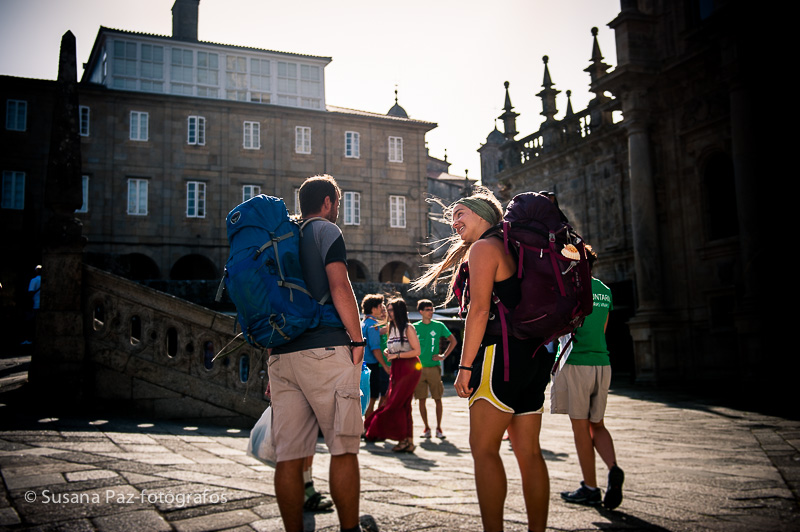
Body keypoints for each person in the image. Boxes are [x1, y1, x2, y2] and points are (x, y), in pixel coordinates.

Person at [413, 187, 555, 532]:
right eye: (452, 217)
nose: (454, 221)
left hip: (498, 356)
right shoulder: (513, 249)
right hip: (534, 357)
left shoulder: (483, 249)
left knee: (484, 450)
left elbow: (478, 312)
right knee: (529, 453)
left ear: (483, 215)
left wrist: (463, 366)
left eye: (460, 213)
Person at [268, 175, 365, 532]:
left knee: (289, 457)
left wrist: (273, 360)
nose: (336, 210)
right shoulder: (326, 231)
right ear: (327, 202)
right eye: (337, 203)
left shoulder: (282, 237)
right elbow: (340, 286)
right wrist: (357, 340)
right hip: (325, 348)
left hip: (281, 354)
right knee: (343, 448)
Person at [551, 245, 624, 510]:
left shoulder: (570, 290)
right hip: (602, 362)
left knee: (580, 428)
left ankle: (590, 488)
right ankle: (613, 468)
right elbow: (601, 330)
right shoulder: (604, 290)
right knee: (598, 424)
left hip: (576, 363)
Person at [363, 297, 422, 453]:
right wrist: (388, 352)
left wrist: (396, 356)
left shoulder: (408, 328)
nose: (386, 312)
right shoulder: (390, 327)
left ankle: (398, 437)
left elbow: (417, 351)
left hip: (410, 368)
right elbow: (392, 347)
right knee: (404, 405)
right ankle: (408, 441)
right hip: (396, 368)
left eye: (390, 310)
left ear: (398, 311)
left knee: (394, 403)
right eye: (386, 309)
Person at [412, 298, 457, 439]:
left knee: (438, 398)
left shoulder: (439, 325)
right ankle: (426, 428)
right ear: (421, 312)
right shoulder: (414, 327)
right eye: (427, 310)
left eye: (432, 309)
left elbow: (453, 341)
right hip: (418, 368)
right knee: (421, 399)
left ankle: (439, 428)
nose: (430, 312)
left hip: (434, 368)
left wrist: (443, 356)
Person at [361, 294, 391, 420]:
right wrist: (384, 365)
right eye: (380, 307)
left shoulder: (364, 322)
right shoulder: (373, 324)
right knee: (371, 398)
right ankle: (367, 427)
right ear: (373, 309)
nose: (382, 309)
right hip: (371, 365)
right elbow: (375, 348)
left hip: (362, 363)